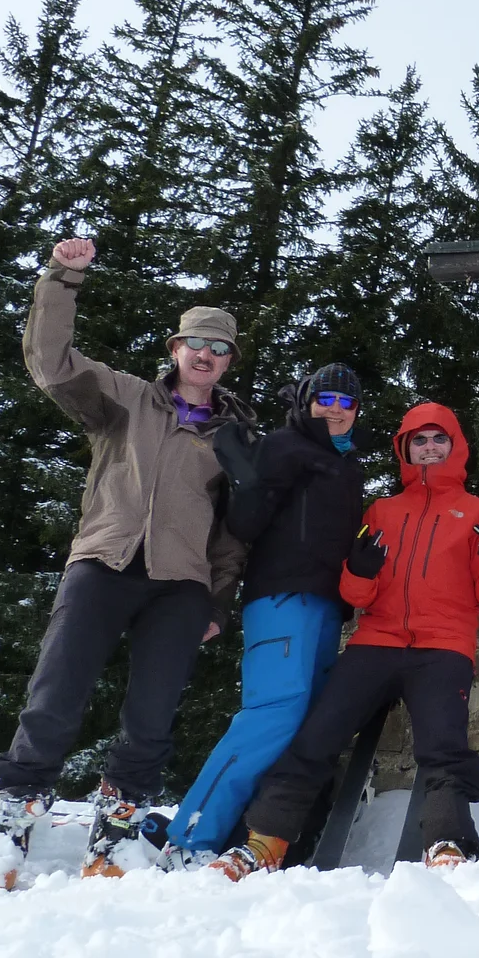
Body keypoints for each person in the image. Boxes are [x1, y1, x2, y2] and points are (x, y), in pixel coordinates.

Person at [0, 236, 250, 892]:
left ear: (229, 362)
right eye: (196, 344)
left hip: (179, 586)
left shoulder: (237, 438)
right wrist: (63, 279)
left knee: (151, 715)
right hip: (103, 561)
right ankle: (10, 826)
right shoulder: (125, 399)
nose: (205, 355)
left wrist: (217, 601)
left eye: (219, 348)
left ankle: (117, 835)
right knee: (55, 696)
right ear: (175, 350)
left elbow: (236, 532)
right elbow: (51, 362)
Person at [212, 402, 479, 876]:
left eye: (440, 439)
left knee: (443, 745)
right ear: (405, 449)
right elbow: (355, 594)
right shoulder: (382, 511)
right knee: (316, 736)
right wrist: (360, 569)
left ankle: (446, 844)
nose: (430, 448)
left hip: (442, 647)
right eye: (420, 439)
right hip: (377, 640)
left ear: (456, 447)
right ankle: (264, 842)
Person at [161, 363, 366, 863]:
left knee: (305, 722)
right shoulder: (284, 446)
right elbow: (244, 523)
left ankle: (246, 832)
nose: (334, 410)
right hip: (281, 598)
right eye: (325, 399)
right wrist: (251, 483)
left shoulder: (345, 463)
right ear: (305, 401)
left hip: (326, 606)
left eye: (346, 402)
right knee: (274, 714)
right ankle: (192, 834)